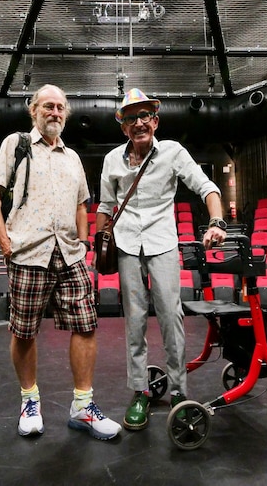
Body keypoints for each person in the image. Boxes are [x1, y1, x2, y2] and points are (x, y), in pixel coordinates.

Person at [0, 84, 121, 441]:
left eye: (61, 107)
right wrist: (4, 240)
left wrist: (84, 238)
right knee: (24, 330)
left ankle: (82, 407)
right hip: (28, 252)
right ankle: (30, 402)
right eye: (48, 106)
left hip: (70, 254)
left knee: (87, 325)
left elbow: (81, 203)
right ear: (34, 110)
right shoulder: (16, 144)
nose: (55, 112)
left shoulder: (72, 157)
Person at [96, 87, 228, 431]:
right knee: (135, 321)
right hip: (125, 245)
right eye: (130, 118)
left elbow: (206, 187)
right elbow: (105, 207)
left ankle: (179, 392)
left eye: (144, 116)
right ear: (123, 127)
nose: (138, 123)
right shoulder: (112, 160)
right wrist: (98, 241)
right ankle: (139, 391)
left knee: (172, 317)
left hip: (163, 243)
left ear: (154, 121)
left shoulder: (172, 152)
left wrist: (216, 222)